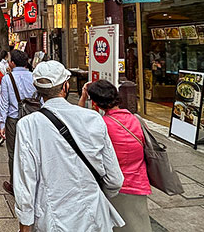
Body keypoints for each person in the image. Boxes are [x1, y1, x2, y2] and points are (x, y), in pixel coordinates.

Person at [14, 60, 124, 232]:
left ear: (39, 91)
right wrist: (97, 194)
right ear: (65, 87)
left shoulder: (28, 124)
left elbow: (25, 181)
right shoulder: (93, 119)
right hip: (94, 217)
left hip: (53, 220)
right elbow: (115, 179)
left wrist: (25, 225)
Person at [80, 80, 152, 232]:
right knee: (138, 225)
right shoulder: (136, 120)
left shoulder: (100, 124)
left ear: (96, 103)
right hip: (138, 183)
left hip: (114, 186)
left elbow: (76, 123)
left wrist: (83, 97)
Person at [0, 50, 36, 196]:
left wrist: (1, 123)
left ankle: (15, 184)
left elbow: (4, 103)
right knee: (32, 150)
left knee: (13, 152)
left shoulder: (8, 78)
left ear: (12, 62)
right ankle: (32, 182)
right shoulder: (34, 77)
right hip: (32, 118)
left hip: (13, 120)